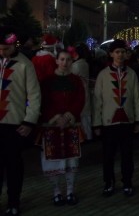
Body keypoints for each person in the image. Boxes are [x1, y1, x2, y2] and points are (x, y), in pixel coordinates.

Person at [93, 39, 139, 197]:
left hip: (127, 121)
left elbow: (137, 98)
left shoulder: (132, 74)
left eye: (122, 52)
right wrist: (97, 124)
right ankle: (108, 183)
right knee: (108, 156)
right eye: (117, 52)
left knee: (127, 155)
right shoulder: (103, 75)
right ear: (111, 54)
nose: (120, 55)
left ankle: (127, 182)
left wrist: (138, 120)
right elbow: (97, 101)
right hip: (109, 123)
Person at [0, 27, 41, 216]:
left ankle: (13, 202)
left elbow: (34, 95)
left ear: (13, 45)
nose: (2, 53)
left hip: (14, 125)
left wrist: (29, 121)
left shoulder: (25, 64)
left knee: (14, 166)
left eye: (5, 49)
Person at [38, 49, 86, 206]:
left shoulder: (76, 81)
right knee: (54, 160)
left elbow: (80, 100)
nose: (65, 63)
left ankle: (70, 191)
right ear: (57, 61)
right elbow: (44, 101)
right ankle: (57, 192)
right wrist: (56, 117)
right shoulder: (47, 81)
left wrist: (68, 115)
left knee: (71, 160)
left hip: (71, 126)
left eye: (68, 60)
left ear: (72, 62)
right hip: (52, 126)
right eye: (62, 59)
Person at [70, 44, 92, 140]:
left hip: (78, 94)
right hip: (85, 93)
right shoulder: (85, 63)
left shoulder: (76, 65)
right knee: (86, 118)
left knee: (81, 118)